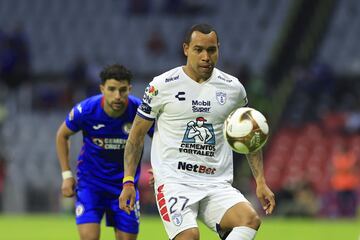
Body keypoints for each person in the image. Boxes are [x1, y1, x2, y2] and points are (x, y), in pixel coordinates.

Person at [119, 24, 275, 240]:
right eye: (198, 49)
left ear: (218, 49)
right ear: (186, 49)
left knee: (249, 220)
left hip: (216, 183)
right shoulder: (162, 86)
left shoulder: (233, 88)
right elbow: (136, 137)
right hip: (174, 182)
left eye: (211, 50)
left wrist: (260, 181)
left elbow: (249, 137)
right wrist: (128, 181)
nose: (206, 57)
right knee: (190, 236)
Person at [56, 64, 152, 240]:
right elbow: (62, 136)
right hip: (91, 185)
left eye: (123, 90)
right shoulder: (86, 110)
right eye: (112, 89)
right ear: (102, 89)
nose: (117, 96)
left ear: (129, 89)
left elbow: (161, 138)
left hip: (125, 186)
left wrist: (161, 168)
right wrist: (66, 174)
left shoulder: (140, 111)